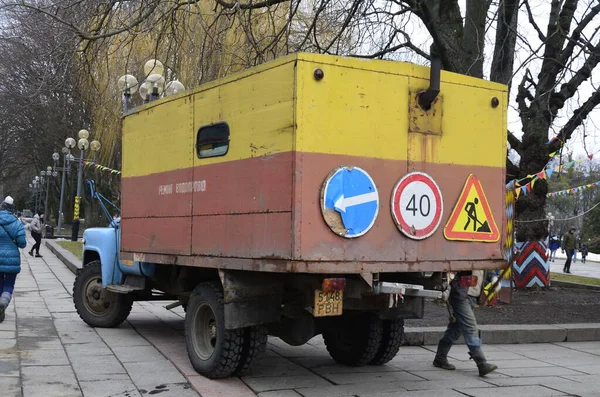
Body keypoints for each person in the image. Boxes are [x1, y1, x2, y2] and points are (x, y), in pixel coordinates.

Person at [433, 270, 499, 377]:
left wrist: (493, 278)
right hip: (461, 296)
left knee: (455, 329)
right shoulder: (467, 255)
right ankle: (482, 363)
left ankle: (440, 357)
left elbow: (486, 269)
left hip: (472, 297)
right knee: (470, 327)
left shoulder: (483, 256)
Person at [0, 196, 27, 323]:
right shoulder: (17, 223)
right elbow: (22, 243)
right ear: (12, 209)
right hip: (12, 261)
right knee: (9, 285)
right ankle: (3, 304)